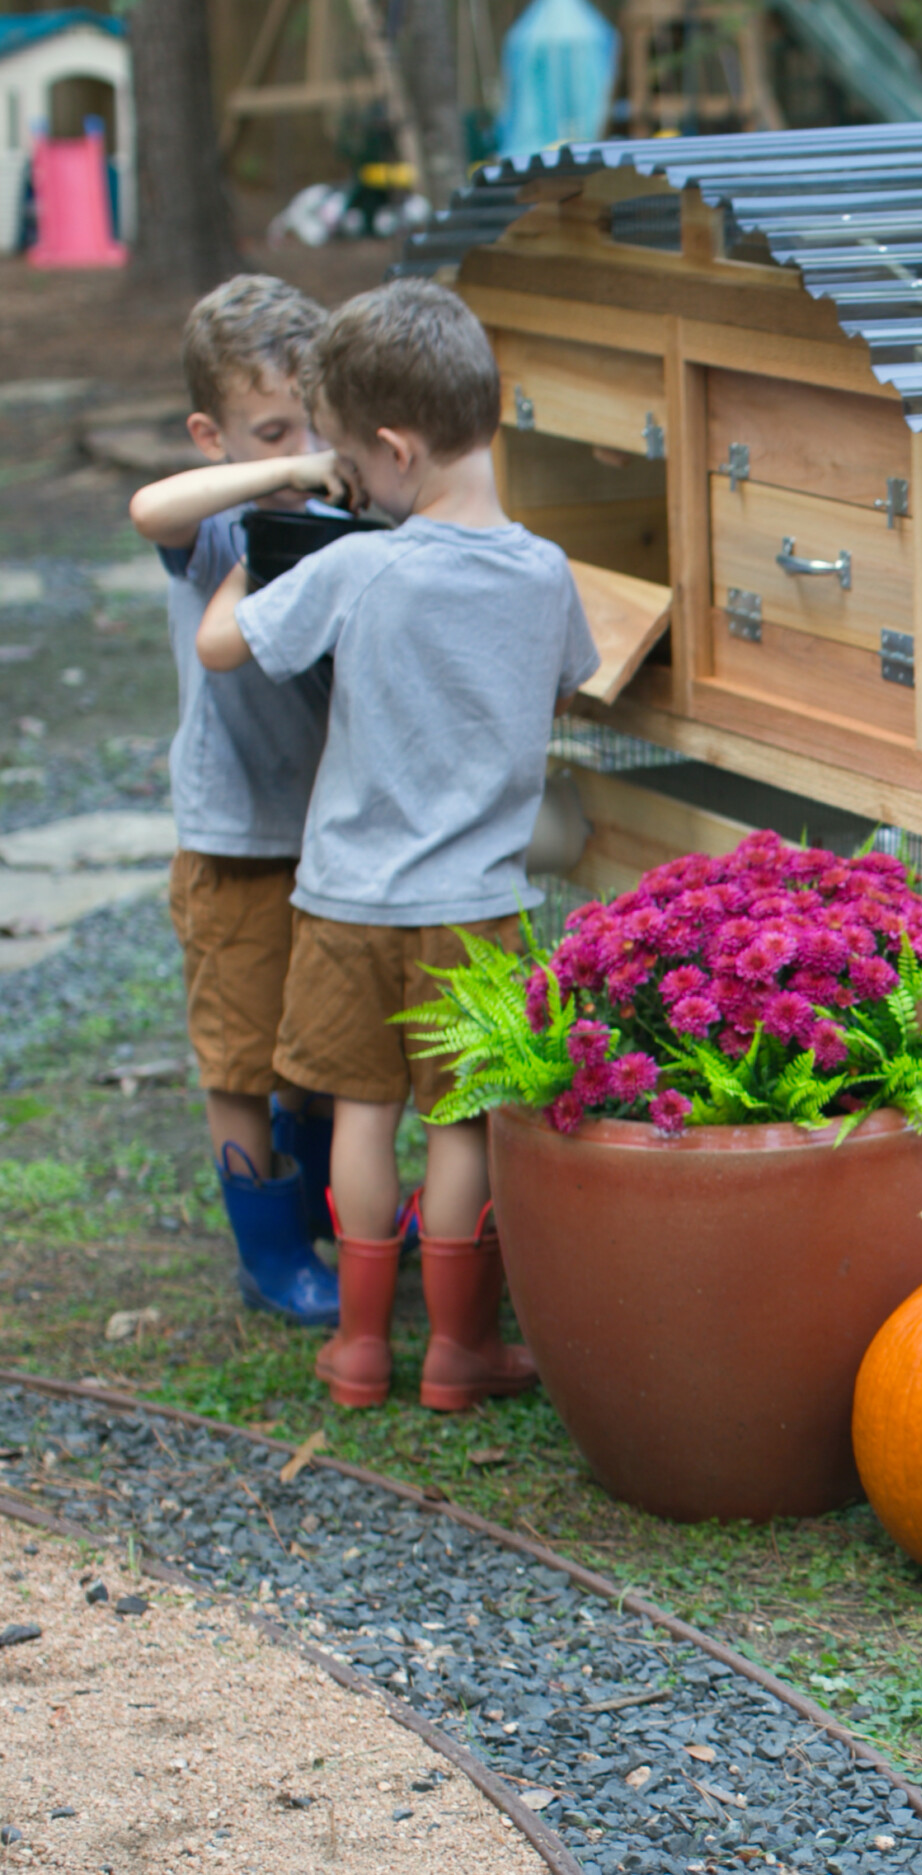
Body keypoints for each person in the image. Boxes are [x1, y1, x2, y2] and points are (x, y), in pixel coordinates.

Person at [196, 278, 599, 1412]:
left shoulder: (354, 567)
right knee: (461, 1121)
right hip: (475, 902)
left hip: (344, 902)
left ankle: (361, 1350)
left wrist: (258, 553)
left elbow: (226, 645)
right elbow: (572, 677)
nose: (356, 489)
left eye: (355, 468)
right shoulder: (544, 571)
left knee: (363, 1115)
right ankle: (459, 1351)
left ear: (392, 449)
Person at [126, 275, 345, 1328]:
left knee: (320, 1045)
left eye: (317, 425)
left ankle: (318, 1213)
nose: (303, 452)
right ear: (211, 435)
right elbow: (147, 508)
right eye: (271, 431)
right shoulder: (214, 537)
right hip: (234, 841)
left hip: (331, 839)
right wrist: (285, 471)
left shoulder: (335, 524)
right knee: (243, 1056)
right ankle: (270, 1254)